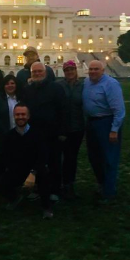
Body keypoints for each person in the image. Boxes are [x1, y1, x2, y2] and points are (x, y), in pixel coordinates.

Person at [0, 104, 54, 219]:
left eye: (23, 114)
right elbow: (6, 157)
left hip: (36, 170)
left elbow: (43, 156)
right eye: (17, 114)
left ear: (28, 116)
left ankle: (46, 207)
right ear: (14, 116)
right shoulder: (9, 136)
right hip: (18, 170)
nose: (20, 117)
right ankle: (15, 198)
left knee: (45, 177)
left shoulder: (38, 134)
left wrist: (33, 173)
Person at [21, 61, 67, 203]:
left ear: (45, 73)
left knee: (54, 162)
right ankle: (37, 189)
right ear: (31, 74)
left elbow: (63, 110)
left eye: (40, 71)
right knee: (36, 162)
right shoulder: (27, 89)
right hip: (34, 133)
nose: (37, 74)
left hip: (52, 132)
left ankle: (54, 190)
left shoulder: (56, 88)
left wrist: (62, 131)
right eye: (34, 72)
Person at [82, 60, 126, 202]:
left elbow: (119, 110)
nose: (93, 71)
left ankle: (109, 192)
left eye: (96, 69)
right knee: (94, 157)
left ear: (103, 70)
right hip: (91, 123)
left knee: (109, 158)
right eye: (91, 69)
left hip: (107, 123)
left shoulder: (111, 84)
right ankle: (102, 184)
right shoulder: (87, 82)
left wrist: (114, 130)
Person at [56, 60, 85, 199]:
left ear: (76, 70)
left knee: (72, 158)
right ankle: (60, 184)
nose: (69, 72)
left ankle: (69, 184)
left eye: (71, 69)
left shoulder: (83, 86)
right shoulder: (59, 86)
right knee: (60, 158)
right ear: (64, 72)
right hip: (63, 129)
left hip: (77, 128)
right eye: (67, 70)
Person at [0, 74, 17, 194]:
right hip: (1, 136)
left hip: (17, 136)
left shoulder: (20, 97)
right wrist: (6, 133)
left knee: (14, 164)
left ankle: (12, 189)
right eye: (7, 83)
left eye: (12, 83)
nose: (10, 86)